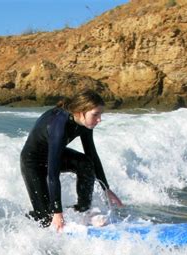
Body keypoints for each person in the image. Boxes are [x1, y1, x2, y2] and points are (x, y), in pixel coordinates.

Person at [20, 90, 123, 231]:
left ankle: (84, 211)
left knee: (85, 163)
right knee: (45, 220)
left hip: (54, 155)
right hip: (33, 163)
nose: (99, 119)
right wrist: (57, 212)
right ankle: (22, 222)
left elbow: (91, 154)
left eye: (100, 114)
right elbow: (53, 173)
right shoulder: (59, 127)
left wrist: (106, 188)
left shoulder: (84, 123)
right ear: (81, 112)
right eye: (95, 114)